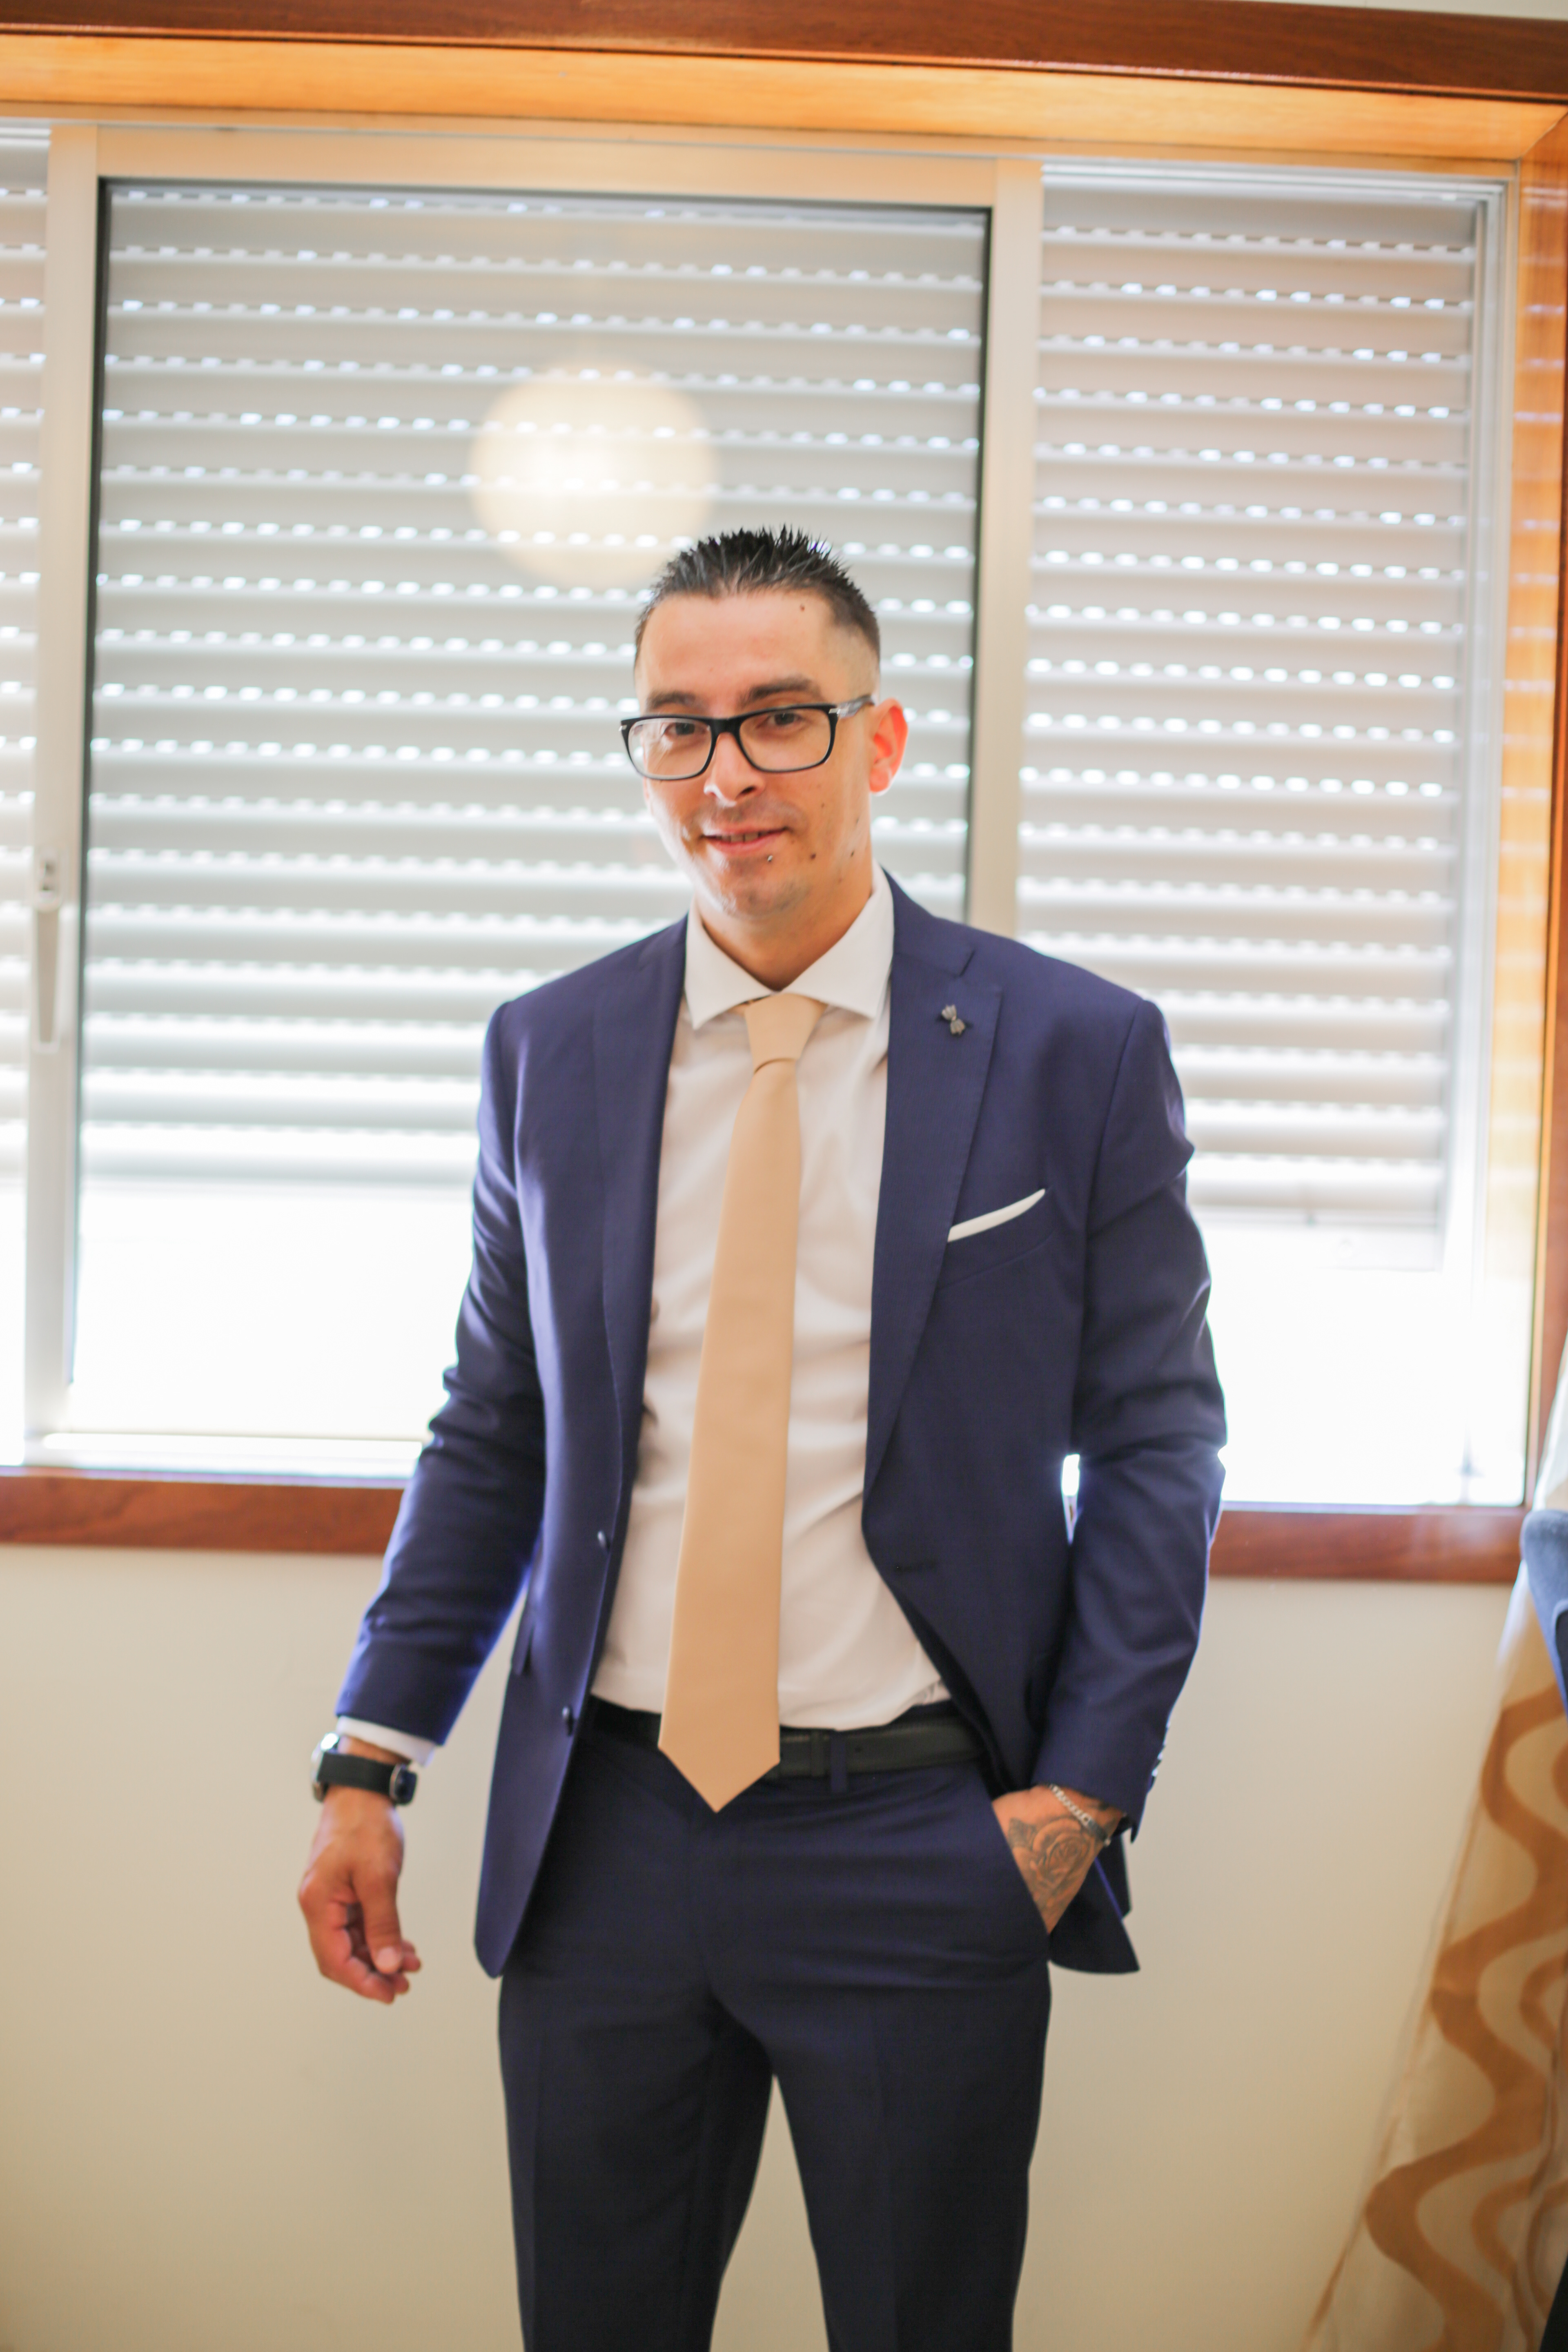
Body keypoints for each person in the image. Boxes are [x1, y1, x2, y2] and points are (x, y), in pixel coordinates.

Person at [298, 526, 1225, 2352]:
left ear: (880, 741)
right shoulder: (549, 1049)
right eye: (679, 726)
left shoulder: (1075, 1049)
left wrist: (1081, 1798)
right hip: (606, 1838)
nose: (727, 773)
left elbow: (1159, 1443)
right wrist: (368, 1758)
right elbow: (493, 1431)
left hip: (922, 1834)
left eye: (781, 718)